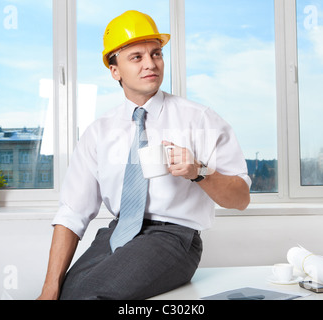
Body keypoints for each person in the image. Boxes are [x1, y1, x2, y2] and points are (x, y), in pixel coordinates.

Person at [38, 10, 251, 300]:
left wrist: (199, 171)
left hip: (173, 237)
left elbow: (240, 199)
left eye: (156, 54)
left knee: (89, 295)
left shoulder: (200, 119)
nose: (151, 64)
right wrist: (49, 289)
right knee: (67, 294)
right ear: (115, 70)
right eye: (136, 57)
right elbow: (72, 212)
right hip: (118, 232)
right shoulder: (99, 132)